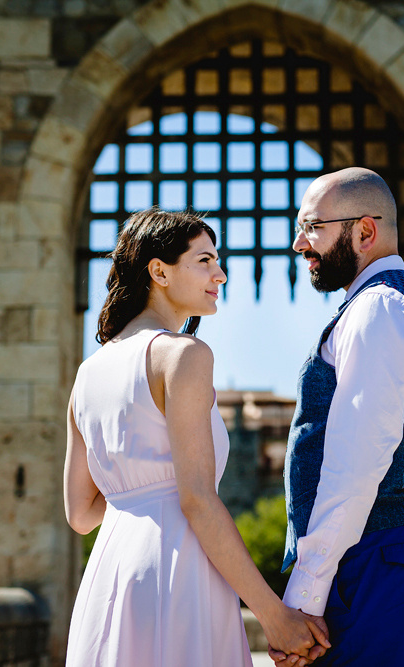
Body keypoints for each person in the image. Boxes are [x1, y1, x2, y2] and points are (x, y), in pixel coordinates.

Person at [63, 208, 329, 666]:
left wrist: (140, 481)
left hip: (112, 572)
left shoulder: (87, 373)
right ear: (159, 271)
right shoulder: (182, 355)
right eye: (204, 261)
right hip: (177, 565)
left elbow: (81, 514)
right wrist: (273, 614)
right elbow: (197, 500)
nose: (220, 274)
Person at [269, 168, 404, 666]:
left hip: (379, 557)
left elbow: (353, 467)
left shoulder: (377, 310)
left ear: (364, 231)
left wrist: (303, 597)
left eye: (312, 227)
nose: (298, 244)